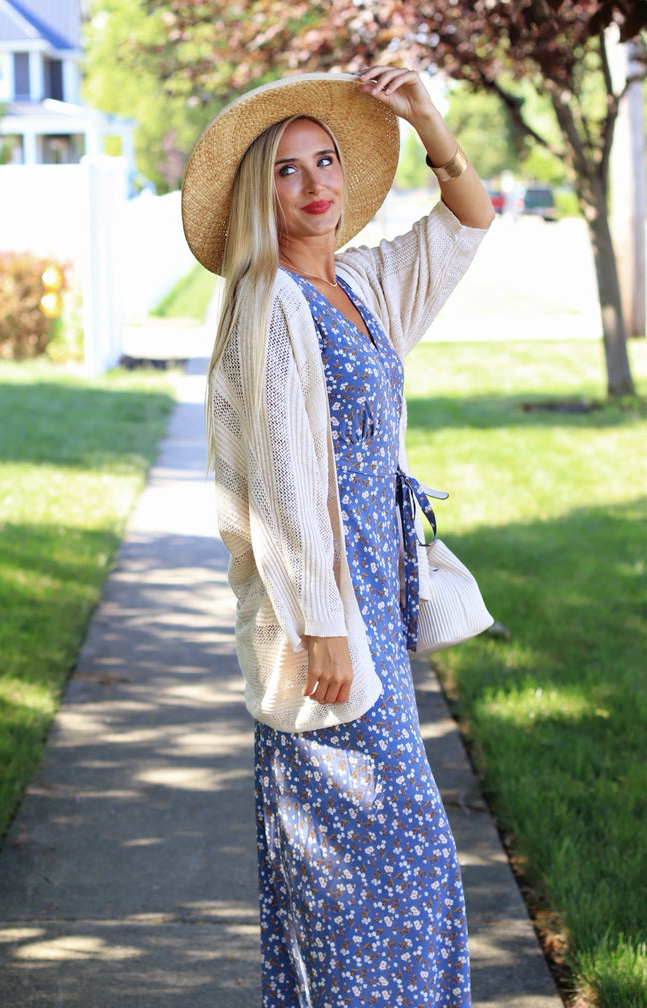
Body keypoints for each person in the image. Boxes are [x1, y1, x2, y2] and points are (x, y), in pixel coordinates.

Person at [181, 66, 495, 1008]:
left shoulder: (358, 283)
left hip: (375, 612)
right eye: (287, 169)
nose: (316, 182)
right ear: (255, 193)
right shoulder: (270, 302)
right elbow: (279, 482)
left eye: (326, 160)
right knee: (374, 860)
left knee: (388, 864)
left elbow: (468, 223)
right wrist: (319, 623)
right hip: (326, 627)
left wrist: (431, 126)